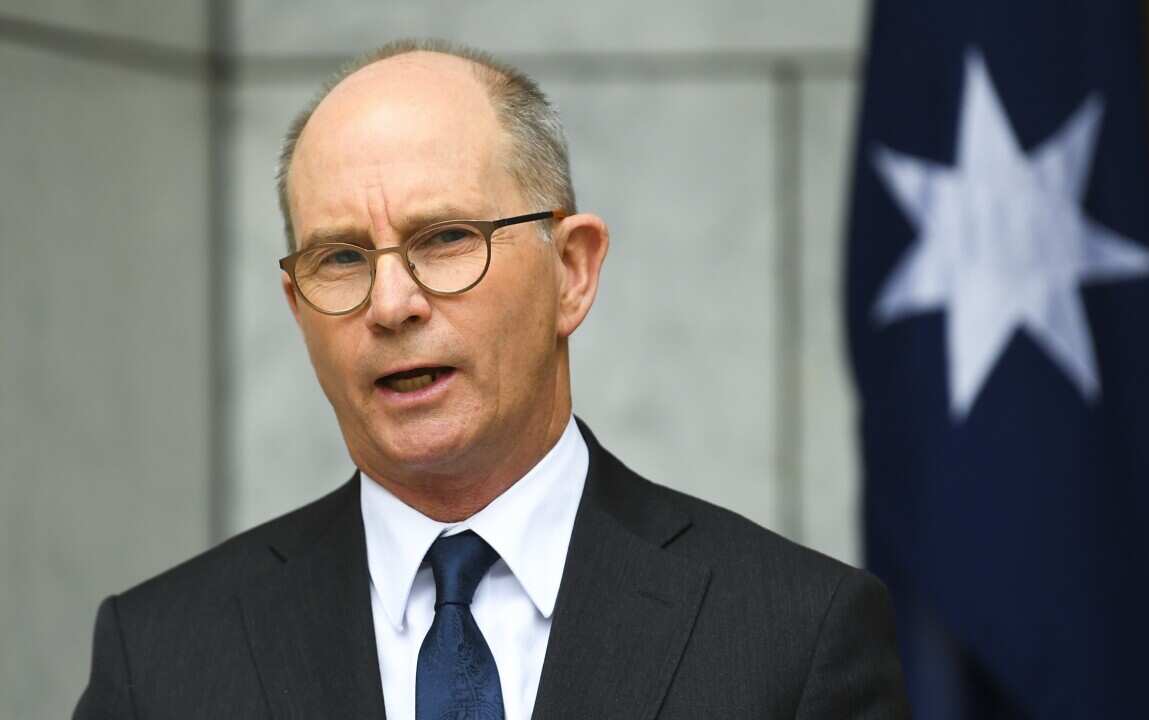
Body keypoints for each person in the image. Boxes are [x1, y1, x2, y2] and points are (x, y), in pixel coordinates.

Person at [73, 39, 909, 720]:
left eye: (444, 239)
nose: (392, 304)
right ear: (298, 310)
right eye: (341, 258)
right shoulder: (162, 659)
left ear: (572, 273)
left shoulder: (791, 637)